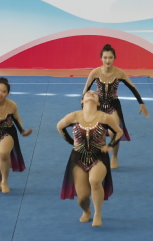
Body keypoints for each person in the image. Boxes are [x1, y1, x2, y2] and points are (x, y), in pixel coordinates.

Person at [57, 90, 122, 228]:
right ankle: (87, 210)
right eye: (87, 93)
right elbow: (59, 127)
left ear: (98, 103)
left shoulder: (105, 118)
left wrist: (110, 145)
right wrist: (71, 142)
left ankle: (98, 214)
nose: (91, 93)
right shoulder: (73, 116)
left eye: (94, 93)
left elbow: (119, 131)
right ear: (82, 101)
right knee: (82, 198)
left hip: (99, 156)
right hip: (78, 158)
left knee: (95, 181)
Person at [82, 44, 149, 169]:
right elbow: (85, 91)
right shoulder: (95, 72)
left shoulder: (119, 73)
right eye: (105, 57)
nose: (107, 60)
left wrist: (141, 103)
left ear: (114, 58)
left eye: (110, 57)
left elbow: (133, 88)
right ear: (101, 58)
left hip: (113, 105)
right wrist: (84, 110)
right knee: (99, 134)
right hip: (99, 105)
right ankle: (100, 157)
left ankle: (114, 156)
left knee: (114, 132)